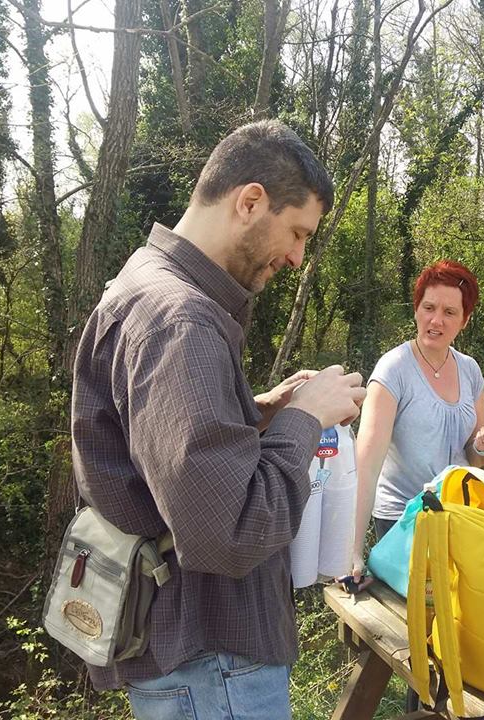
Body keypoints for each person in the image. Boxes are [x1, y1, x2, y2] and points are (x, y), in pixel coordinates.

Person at [70, 120, 366, 719]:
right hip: (213, 662)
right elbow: (227, 531)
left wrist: (259, 412)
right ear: (250, 201)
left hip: (197, 664)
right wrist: (303, 421)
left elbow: (160, 451)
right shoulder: (180, 320)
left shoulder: (148, 287)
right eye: (298, 233)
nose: (297, 255)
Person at [350, 260, 484, 579]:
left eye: (450, 312)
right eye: (429, 307)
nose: (436, 320)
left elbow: (477, 458)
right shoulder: (393, 370)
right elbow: (365, 466)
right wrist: (351, 552)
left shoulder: (470, 370)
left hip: (458, 516)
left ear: (464, 320)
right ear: (416, 310)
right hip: (404, 523)